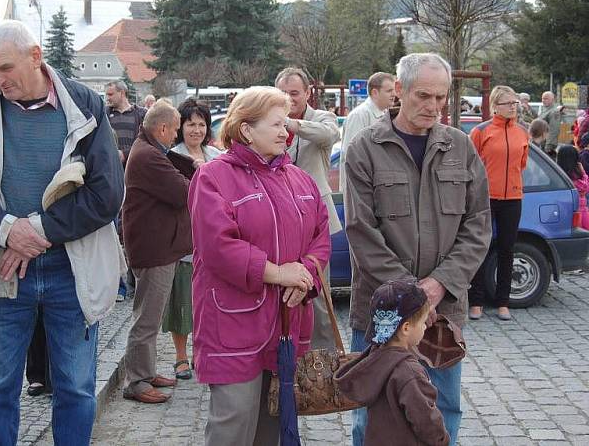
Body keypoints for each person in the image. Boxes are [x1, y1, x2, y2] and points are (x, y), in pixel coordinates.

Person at [0, 20, 125, 445]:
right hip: (6, 274)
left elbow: (108, 194)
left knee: (76, 389)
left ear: (35, 56)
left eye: (5, 68)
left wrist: (40, 229)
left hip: (72, 271)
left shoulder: (83, 104)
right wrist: (8, 229)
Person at [344, 53, 491, 446]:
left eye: (441, 97)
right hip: (384, 315)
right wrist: (411, 294)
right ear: (400, 90)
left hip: (442, 311)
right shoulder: (364, 148)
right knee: (371, 417)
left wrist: (440, 284)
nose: (433, 106)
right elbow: (360, 230)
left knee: (443, 413)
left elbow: (478, 225)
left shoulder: (460, 147)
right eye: (424, 95)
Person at [189, 87, 331, 445]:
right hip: (233, 326)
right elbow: (218, 246)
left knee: (273, 422)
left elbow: (321, 234)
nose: (286, 132)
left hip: (286, 323)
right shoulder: (213, 177)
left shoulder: (299, 179)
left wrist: (305, 276)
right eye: (277, 124)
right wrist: (278, 273)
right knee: (232, 426)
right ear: (246, 130)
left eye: (287, 124)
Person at [121, 99, 192, 403]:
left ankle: (145, 373)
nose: (176, 135)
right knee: (146, 319)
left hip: (157, 246)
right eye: (175, 129)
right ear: (162, 128)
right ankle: (136, 382)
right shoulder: (148, 155)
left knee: (149, 315)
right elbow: (182, 192)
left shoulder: (148, 149)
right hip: (154, 249)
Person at [334, 280, 449, 446]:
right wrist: (441, 439)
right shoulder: (409, 372)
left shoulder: (374, 359)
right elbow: (425, 418)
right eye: (423, 322)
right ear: (406, 328)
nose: (425, 327)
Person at [274, 67, 341, 351]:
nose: (289, 99)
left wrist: (290, 124)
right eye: (283, 94)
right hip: (279, 220)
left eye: (294, 93)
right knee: (283, 295)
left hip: (317, 222)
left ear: (308, 93)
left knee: (319, 296)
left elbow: (329, 135)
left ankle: (325, 365)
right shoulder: (269, 121)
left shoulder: (321, 118)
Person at [162, 98, 222, 381]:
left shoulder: (216, 155)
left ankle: (203, 352)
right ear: (180, 127)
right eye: (190, 124)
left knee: (207, 303)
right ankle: (180, 356)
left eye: (201, 124)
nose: (196, 130)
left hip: (212, 237)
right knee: (182, 300)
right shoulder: (172, 157)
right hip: (184, 238)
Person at [467, 86, 529, 322]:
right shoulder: (481, 131)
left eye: (515, 103)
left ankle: (503, 302)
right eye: (508, 103)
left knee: (507, 248)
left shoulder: (522, 132)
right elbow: (471, 165)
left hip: (513, 197)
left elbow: (521, 164)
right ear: (495, 106)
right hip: (486, 197)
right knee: (481, 247)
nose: (513, 107)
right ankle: (477, 302)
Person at [106, 80, 148, 300]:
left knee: (133, 229)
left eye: (111, 94)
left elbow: (146, 140)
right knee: (114, 232)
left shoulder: (140, 114)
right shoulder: (105, 114)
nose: (108, 98)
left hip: (135, 180)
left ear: (122, 93)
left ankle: (134, 282)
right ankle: (118, 286)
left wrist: (125, 153)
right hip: (112, 180)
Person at [340, 72, 396, 194]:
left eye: (394, 90)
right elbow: (352, 155)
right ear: (375, 92)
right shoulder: (359, 115)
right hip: (361, 190)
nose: (394, 94)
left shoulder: (385, 115)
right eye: (389, 91)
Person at [557, 145, 589, 229]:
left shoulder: (559, 174)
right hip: (580, 211)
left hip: (564, 211)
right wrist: (583, 172)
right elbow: (585, 187)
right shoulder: (576, 174)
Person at [539, 91, 561, 158]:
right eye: (542, 98)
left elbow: (554, 129)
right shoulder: (545, 109)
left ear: (552, 99)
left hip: (547, 145)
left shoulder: (554, 112)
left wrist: (549, 145)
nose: (543, 100)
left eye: (546, 99)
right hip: (541, 142)